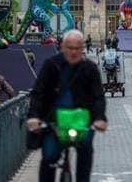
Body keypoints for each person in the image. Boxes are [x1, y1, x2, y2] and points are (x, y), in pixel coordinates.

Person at [27, 30, 107, 182]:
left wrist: (99, 118)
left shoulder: (89, 68)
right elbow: (38, 93)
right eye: (70, 48)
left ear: (83, 48)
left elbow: (98, 96)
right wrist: (34, 116)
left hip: (81, 120)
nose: (74, 52)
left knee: (85, 152)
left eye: (77, 48)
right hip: (54, 120)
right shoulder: (51, 65)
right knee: (49, 156)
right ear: (62, 47)